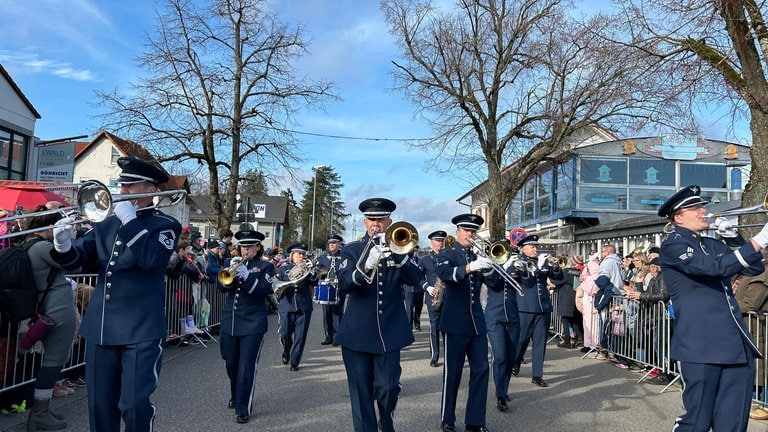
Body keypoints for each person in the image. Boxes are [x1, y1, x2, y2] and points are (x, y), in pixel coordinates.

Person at [51, 156, 181, 432]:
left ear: (153, 190)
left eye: (132, 186)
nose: (123, 192)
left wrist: (131, 222)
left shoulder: (165, 224)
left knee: (134, 405)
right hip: (101, 327)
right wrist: (63, 246)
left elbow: (152, 261)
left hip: (141, 327)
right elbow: (78, 260)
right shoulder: (106, 223)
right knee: (100, 407)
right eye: (123, 185)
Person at [657, 184, 767, 431]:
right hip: (700, 345)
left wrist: (732, 237)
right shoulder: (673, 245)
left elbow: (755, 269)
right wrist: (760, 239)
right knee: (697, 422)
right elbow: (714, 269)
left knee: (733, 423)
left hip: (734, 345)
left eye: (702, 205)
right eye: (695, 207)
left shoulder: (713, 244)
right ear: (678, 217)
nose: (703, 211)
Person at [335, 198, 422, 432]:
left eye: (381, 220)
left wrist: (399, 254)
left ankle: (387, 419)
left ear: (389, 222)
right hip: (357, 334)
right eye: (372, 220)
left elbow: (416, 280)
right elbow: (344, 284)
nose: (376, 224)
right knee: (361, 393)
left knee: (389, 387)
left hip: (390, 332)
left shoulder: (400, 248)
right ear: (364, 222)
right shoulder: (351, 249)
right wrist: (367, 265)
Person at [435, 213, 495, 432]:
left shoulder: (478, 255)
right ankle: (447, 419)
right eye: (467, 230)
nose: (471, 234)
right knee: (453, 373)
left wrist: (490, 269)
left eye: (474, 231)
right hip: (454, 323)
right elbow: (444, 273)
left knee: (481, 370)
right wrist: (470, 267)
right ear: (458, 232)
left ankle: (475, 421)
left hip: (477, 322)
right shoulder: (448, 253)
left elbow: (496, 285)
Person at [23, 204, 77, 431]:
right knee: (53, 361)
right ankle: (40, 412)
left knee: (50, 361)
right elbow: (73, 262)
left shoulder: (27, 244)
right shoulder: (44, 247)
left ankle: (41, 408)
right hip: (57, 307)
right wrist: (67, 241)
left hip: (45, 307)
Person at [218, 230, 275, 424]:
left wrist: (248, 276)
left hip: (253, 323)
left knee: (246, 366)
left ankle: (243, 407)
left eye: (250, 246)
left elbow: (263, 292)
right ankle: (236, 395)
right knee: (231, 363)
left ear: (258, 247)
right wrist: (232, 274)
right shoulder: (230, 263)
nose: (246, 250)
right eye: (243, 246)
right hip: (230, 321)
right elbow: (221, 286)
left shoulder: (266, 266)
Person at [508, 234, 564, 388]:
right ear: (523, 248)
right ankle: (516, 360)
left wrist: (556, 266)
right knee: (522, 340)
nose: (535, 249)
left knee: (540, 342)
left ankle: (537, 375)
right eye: (532, 246)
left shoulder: (543, 261)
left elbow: (558, 277)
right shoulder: (518, 263)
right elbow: (527, 280)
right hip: (525, 307)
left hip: (543, 307)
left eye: (536, 246)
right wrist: (539, 266)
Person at [485, 238, 520, 413]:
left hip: (513, 316)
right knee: (499, 356)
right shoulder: (489, 267)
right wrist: (504, 268)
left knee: (510, 357)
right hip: (495, 317)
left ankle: (504, 389)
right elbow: (493, 283)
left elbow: (528, 283)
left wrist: (524, 267)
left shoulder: (515, 265)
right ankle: (500, 395)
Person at [275, 242, 317, 371]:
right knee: (285, 334)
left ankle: (295, 361)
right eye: (299, 254)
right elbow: (276, 283)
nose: (302, 257)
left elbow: (314, 282)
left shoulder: (308, 269)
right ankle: (287, 350)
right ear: (292, 255)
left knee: (300, 336)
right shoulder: (283, 269)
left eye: (303, 254)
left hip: (303, 306)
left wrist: (313, 270)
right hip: (287, 305)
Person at [419, 230, 447, 367]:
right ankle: (434, 356)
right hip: (433, 297)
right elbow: (417, 277)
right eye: (438, 240)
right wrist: (427, 287)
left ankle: (448, 354)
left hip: (448, 297)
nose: (440, 243)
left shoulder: (449, 257)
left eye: (442, 241)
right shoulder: (425, 259)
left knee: (448, 327)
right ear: (432, 242)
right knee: (434, 327)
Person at [316, 234, 344, 345]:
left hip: (339, 287)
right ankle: (328, 336)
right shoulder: (323, 257)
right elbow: (318, 270)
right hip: (326, 287)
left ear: (339, 244)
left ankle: (338, 337)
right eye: (330, 243)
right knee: (326, 313)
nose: (331, 245)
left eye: (334, 243)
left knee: (337, 312)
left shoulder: (344, 256)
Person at [403, 246, 424, 331]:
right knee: (409, 308)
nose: (415, 252)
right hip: (408, 289)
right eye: (413, 250)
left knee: (419, 307)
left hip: (419, 289)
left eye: (416, 250)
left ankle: (417, 324)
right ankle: (409, 326)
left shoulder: (421, 261)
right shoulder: (406, 261)